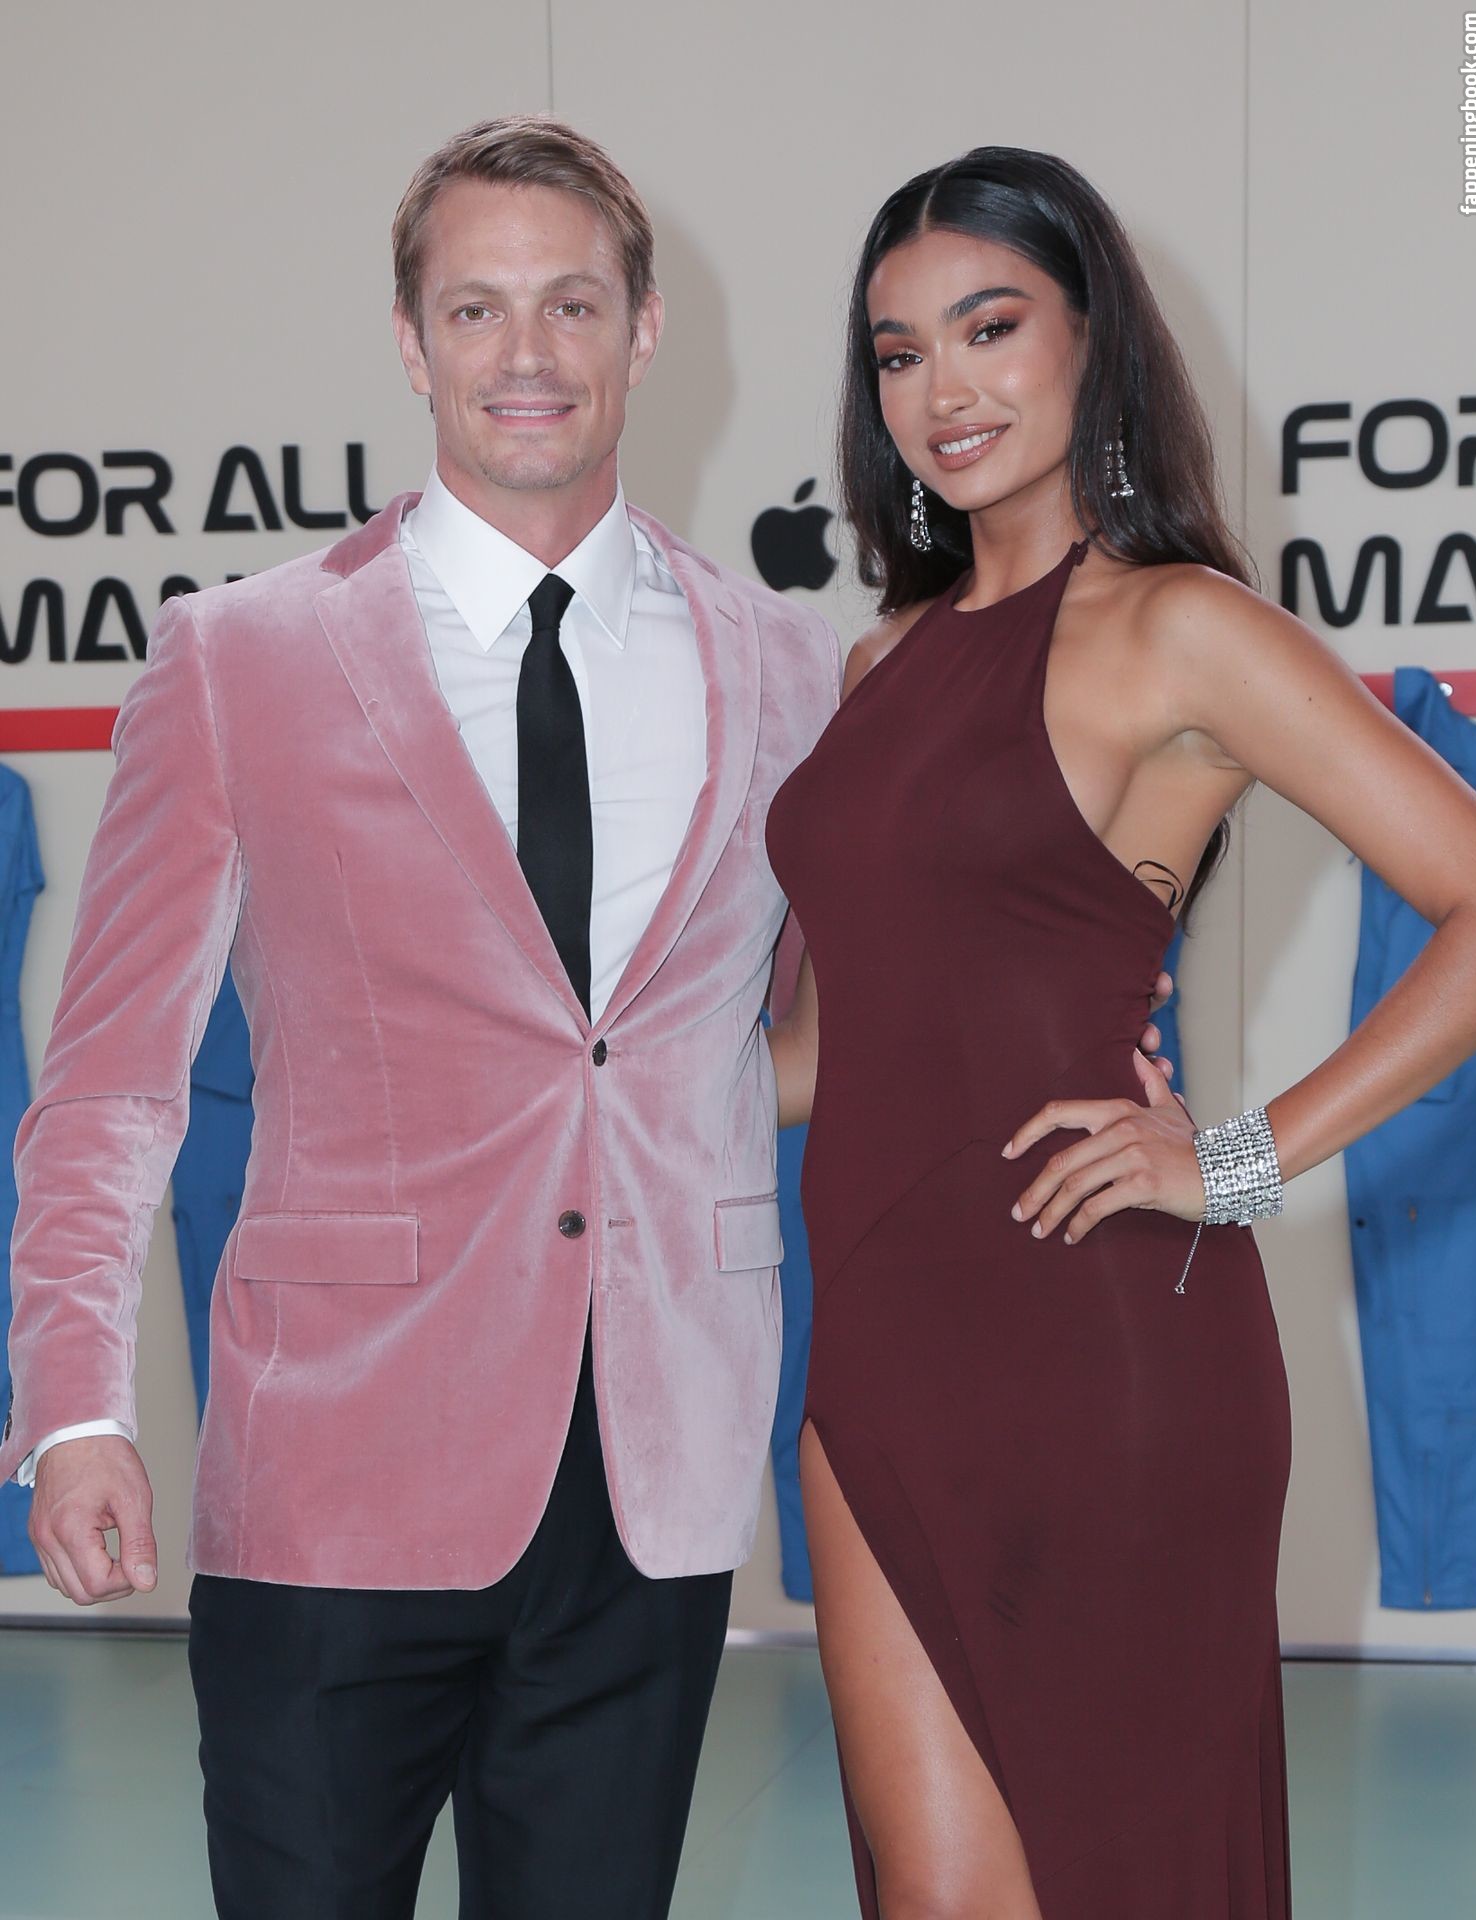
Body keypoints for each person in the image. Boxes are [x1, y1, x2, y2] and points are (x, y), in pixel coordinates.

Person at [0, 114, 850, 1920]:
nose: (526, 354)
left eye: (571, 304)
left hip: (653, 1478)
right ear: (410, 340)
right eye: (476, 309)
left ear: (645, 330)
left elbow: (787, 1041)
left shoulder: (786, 669)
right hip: (333, 1471)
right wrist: (71, 1405)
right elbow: (112, 1085)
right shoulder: (237, 657)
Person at [764, 145, 1476, 1920]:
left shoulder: (1182, 628)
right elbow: (826, 1051)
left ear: (1093, 338)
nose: (942, 388)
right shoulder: (878, 665)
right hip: (876, 1346)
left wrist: (1235, 1158)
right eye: (898, 352)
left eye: (990, 327)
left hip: (1099, 1342)